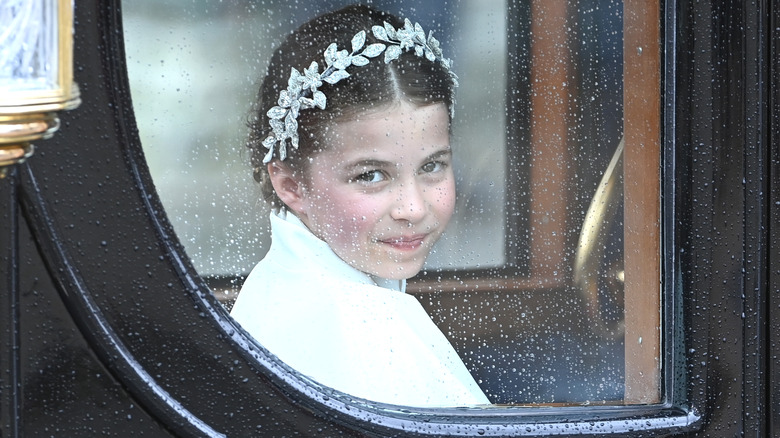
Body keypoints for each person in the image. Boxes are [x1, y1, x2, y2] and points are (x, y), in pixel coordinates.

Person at [230, 4, 489, 407]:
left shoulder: (288, 284)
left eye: (432, 166)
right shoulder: (362, 336)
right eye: (371, 175)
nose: (413, 208)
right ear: (291, 184)